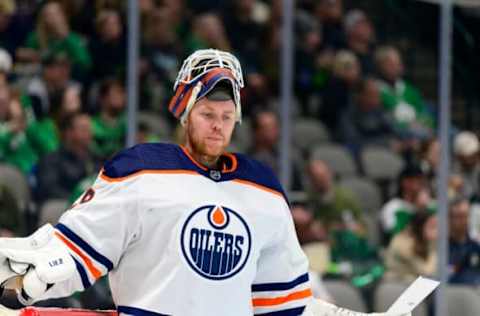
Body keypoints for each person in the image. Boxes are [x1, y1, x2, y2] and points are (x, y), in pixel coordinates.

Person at [0, 49, 410, 316]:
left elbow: (283, 302)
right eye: (207, 114)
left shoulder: (262, 189)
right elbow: (74, 252)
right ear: (184, 113)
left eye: (226, 117)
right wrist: (22, 284)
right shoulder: (141, 170)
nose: (217, 126)